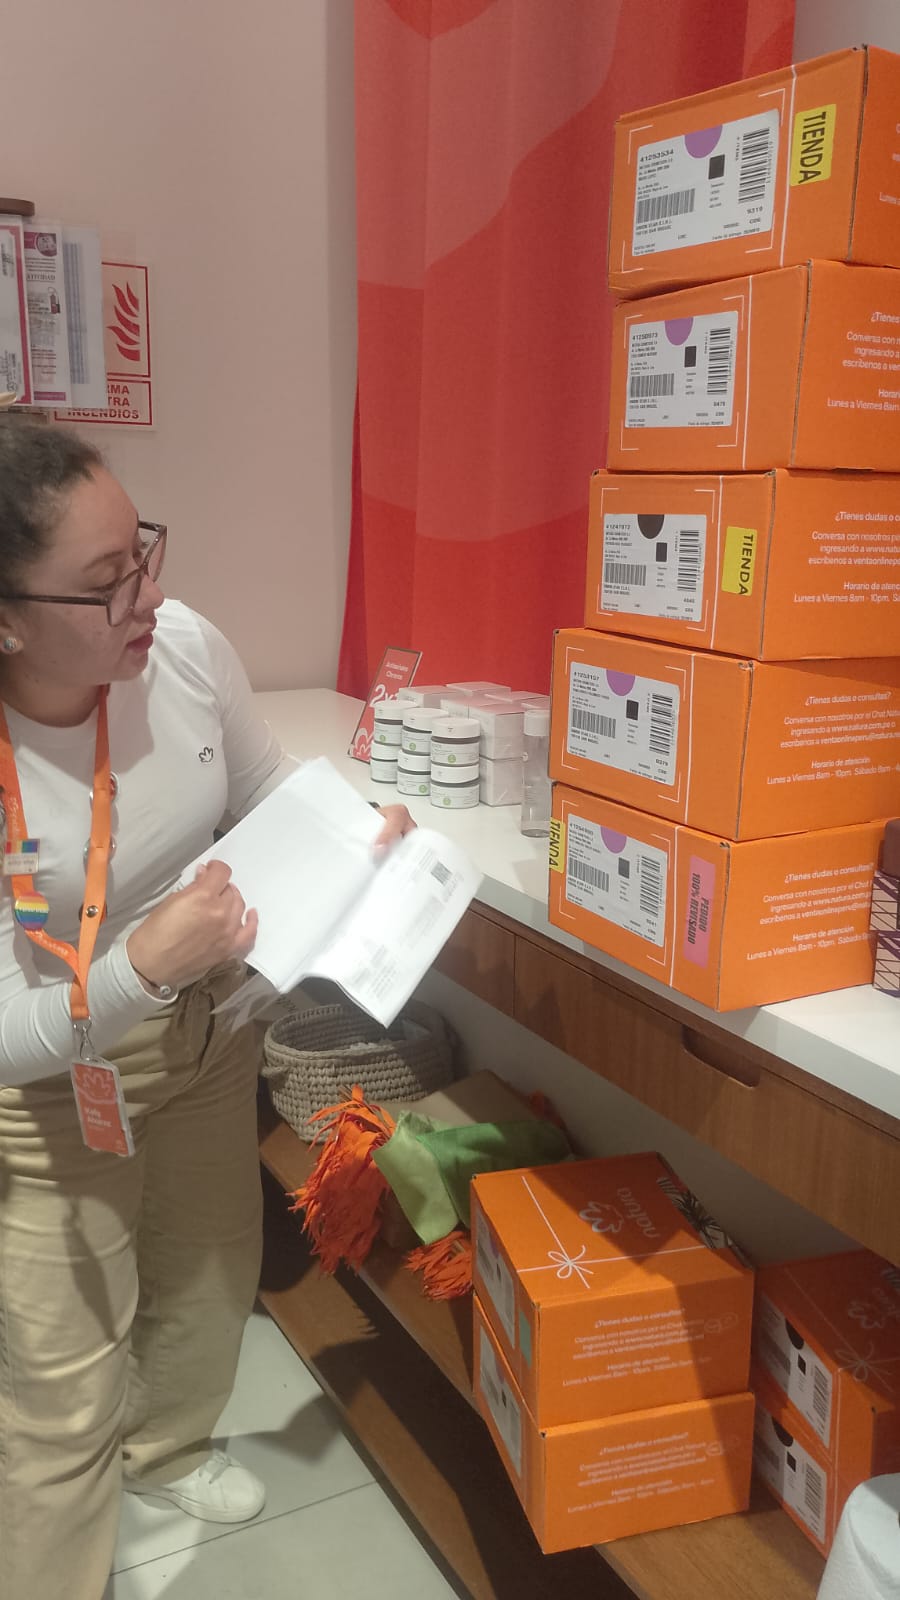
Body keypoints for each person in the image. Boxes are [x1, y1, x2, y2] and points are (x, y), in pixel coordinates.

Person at [0, 422, 415, 1600]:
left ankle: (168, 1451)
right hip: (50, 1082)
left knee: (210, 1267)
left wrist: (350, 829)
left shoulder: (180, 648)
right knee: (61, 1379)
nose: (148, 594)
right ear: (7, 621)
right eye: (106, 580)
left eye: (143, 550)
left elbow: (266, 785)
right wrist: (137, 966)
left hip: (206, 1031)